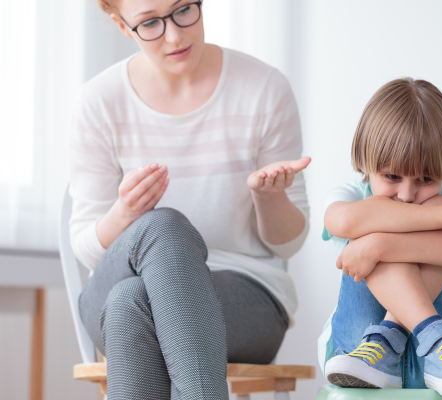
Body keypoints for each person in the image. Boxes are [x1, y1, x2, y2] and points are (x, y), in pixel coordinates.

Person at [69, 1, 309, 399]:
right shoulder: (98, 102)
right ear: (122, 25)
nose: (175, 35)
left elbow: (288, 244)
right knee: (161, 229)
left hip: (244, 300)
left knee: (134, 303)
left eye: (183, 9)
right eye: (149, 23)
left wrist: (269, 198)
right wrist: (125, 213)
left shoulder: (264, 89)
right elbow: (86, 247)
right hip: (113, 288)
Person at [320, 78, 442, 396]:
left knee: (422, 220)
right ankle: (435, 334)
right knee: (374, 218)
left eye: (426, 179)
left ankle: (394, 338)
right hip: (358, 360)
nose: (406, 194)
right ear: (365, 161)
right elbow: (344, 221)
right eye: (392, 176)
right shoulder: (351, 194)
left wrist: (379, 245)